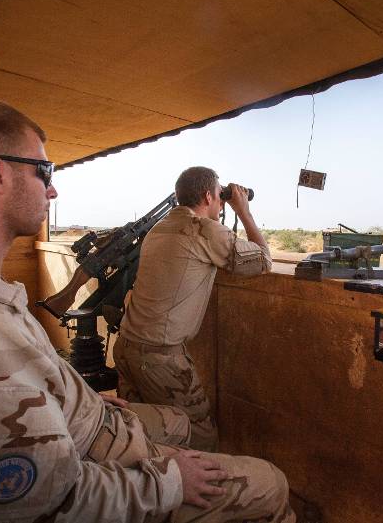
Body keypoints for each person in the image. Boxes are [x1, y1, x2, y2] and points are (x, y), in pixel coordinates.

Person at [0, 96, 294, 523]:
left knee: (181, 424)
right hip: (107, 462)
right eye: (44, 171)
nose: (53, 188)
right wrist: (172, 480)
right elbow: (49, 501)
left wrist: (88, 401)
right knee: (271, 483)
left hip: (97, 423)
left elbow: (36, 390)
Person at [115, 166, 272, 452]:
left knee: (141, 434)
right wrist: (244, 211)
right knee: (199, 437)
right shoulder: (203, 230)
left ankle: (151, 489)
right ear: (208, 196)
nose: (222, 202)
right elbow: (263, 260)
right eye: (220, 196)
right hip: (159, 360)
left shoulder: (159, 228)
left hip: (127, 346)